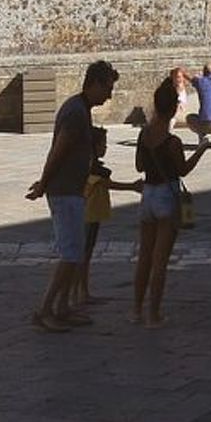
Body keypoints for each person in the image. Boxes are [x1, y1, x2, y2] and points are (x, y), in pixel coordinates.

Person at [25, 58, 119, 332]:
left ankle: (64, 307)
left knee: (76, 252)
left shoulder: (81, 109)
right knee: (69, 254)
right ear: (94, 83)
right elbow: (59, 149)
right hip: (64, 191)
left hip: (72, 189)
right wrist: (44, 182)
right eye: (108, 88)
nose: (109, 94)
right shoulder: (76, 112)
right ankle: (45, 309)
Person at [131, 80, 209, 327]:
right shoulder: (172, 142)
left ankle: (136, 310)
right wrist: (201, 149)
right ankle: (153, 314)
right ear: (175, 108)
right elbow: (183, 170)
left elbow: (139, 166)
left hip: (148, 194)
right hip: (167, 195)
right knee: (160, 260)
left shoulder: (144, 135)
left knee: (144, 256)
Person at [76, 126, 138, 308]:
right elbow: (104, 183)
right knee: (83, 255)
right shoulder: (90, 167)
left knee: (85, 254)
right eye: (102, 144)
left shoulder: (92, 165)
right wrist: (132, 187)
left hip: (93, 214)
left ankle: (81, 291)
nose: (105, 147)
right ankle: (80, 292)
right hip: (88, 214)